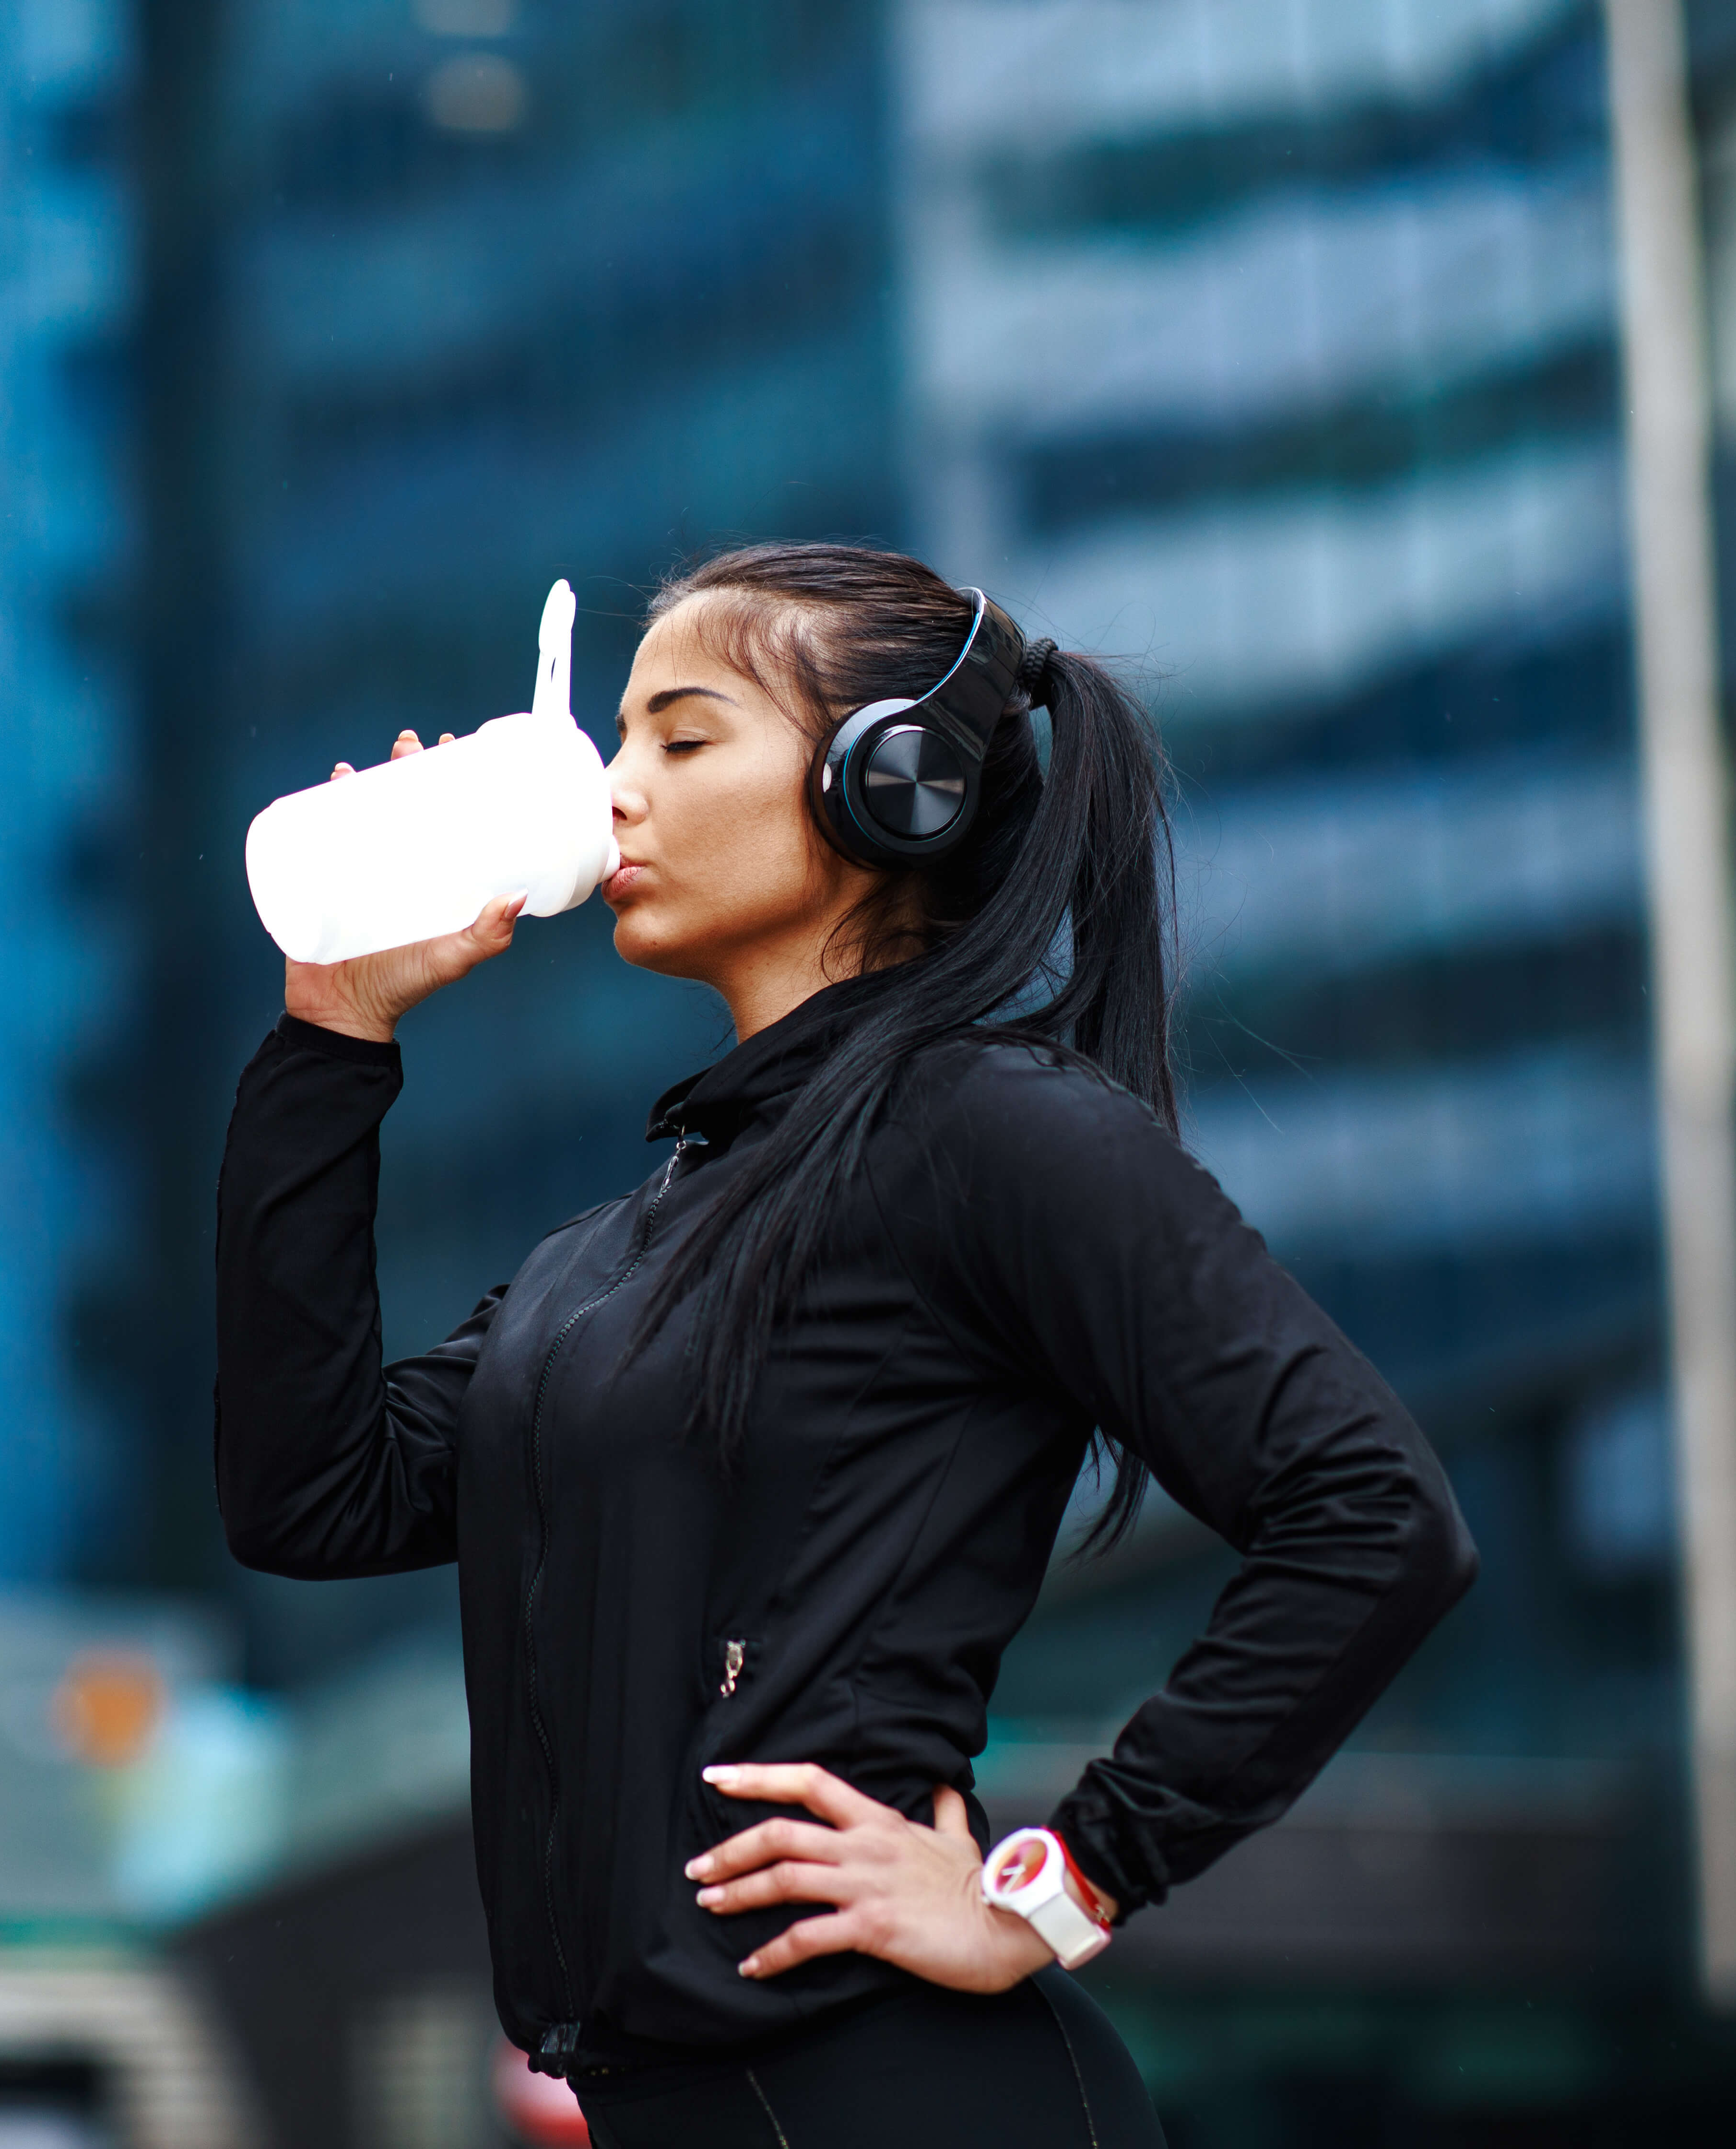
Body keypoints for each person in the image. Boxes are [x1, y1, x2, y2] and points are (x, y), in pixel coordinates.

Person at [217, 543, 1476, 2147]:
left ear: (895, 787)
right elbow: (312, 1494)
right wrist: (333, 1032)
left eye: (682, 737)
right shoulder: (620, 1255)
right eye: (619, 738)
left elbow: (1372, 1514)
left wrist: (1064, 1881)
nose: (614, 790)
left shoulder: (991, 1131)